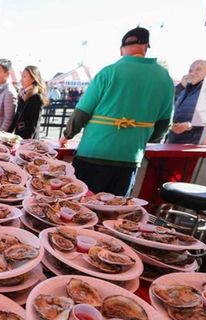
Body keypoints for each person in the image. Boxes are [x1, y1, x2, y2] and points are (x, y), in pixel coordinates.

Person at [59, 27, 174, 196]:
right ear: (146, 46)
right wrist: (138, 136)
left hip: (93, 153)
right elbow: (163, 126)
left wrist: (67, 135)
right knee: (114, 212)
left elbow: (82, 112)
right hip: (130, 158)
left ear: (122, 49)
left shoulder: (109, 72)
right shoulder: (165, 78)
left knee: (80, 206)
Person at [167, 59, 206, 144]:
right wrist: (181, 86)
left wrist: (189, 125)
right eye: (190, 70)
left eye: (198, 69)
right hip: (174, 140)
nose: (192, 73)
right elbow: (169, 103)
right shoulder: (187, 88)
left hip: (193, 143)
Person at [11, 65, 49, 139]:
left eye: (24, 77)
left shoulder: (36, 97)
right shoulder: (22, 94)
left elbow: (33, 125)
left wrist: (25, 143)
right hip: (19, 138)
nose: (21, 80)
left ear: (33, 79)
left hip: (28, 142)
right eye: (21, 76)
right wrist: (6, 134)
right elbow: (16, 118)